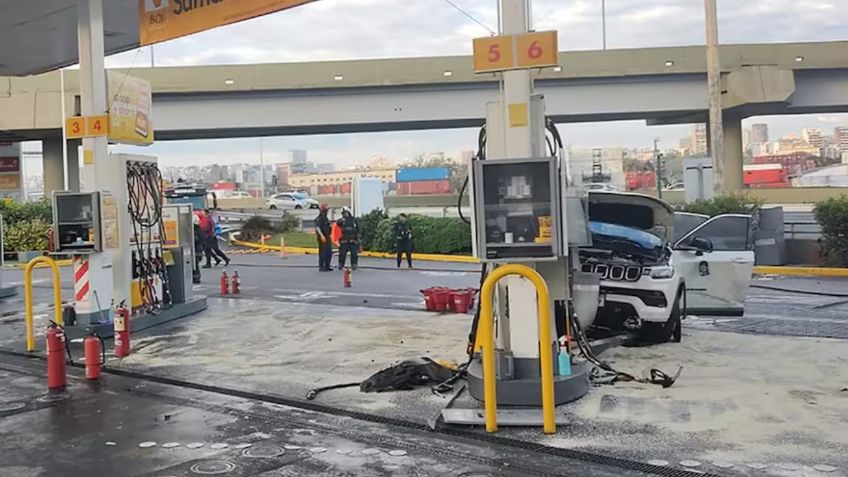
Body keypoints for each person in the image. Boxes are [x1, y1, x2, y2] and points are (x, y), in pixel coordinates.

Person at [314, 204, 333, 272]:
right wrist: (322, 236)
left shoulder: (326, 218)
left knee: (329, 252)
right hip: (322, 237)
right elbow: (317, 227)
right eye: (326, 210)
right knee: (323, 252)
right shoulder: (319, 218)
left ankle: (327, 266)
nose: (327, 211)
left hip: (327, 236)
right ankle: (321, 266)